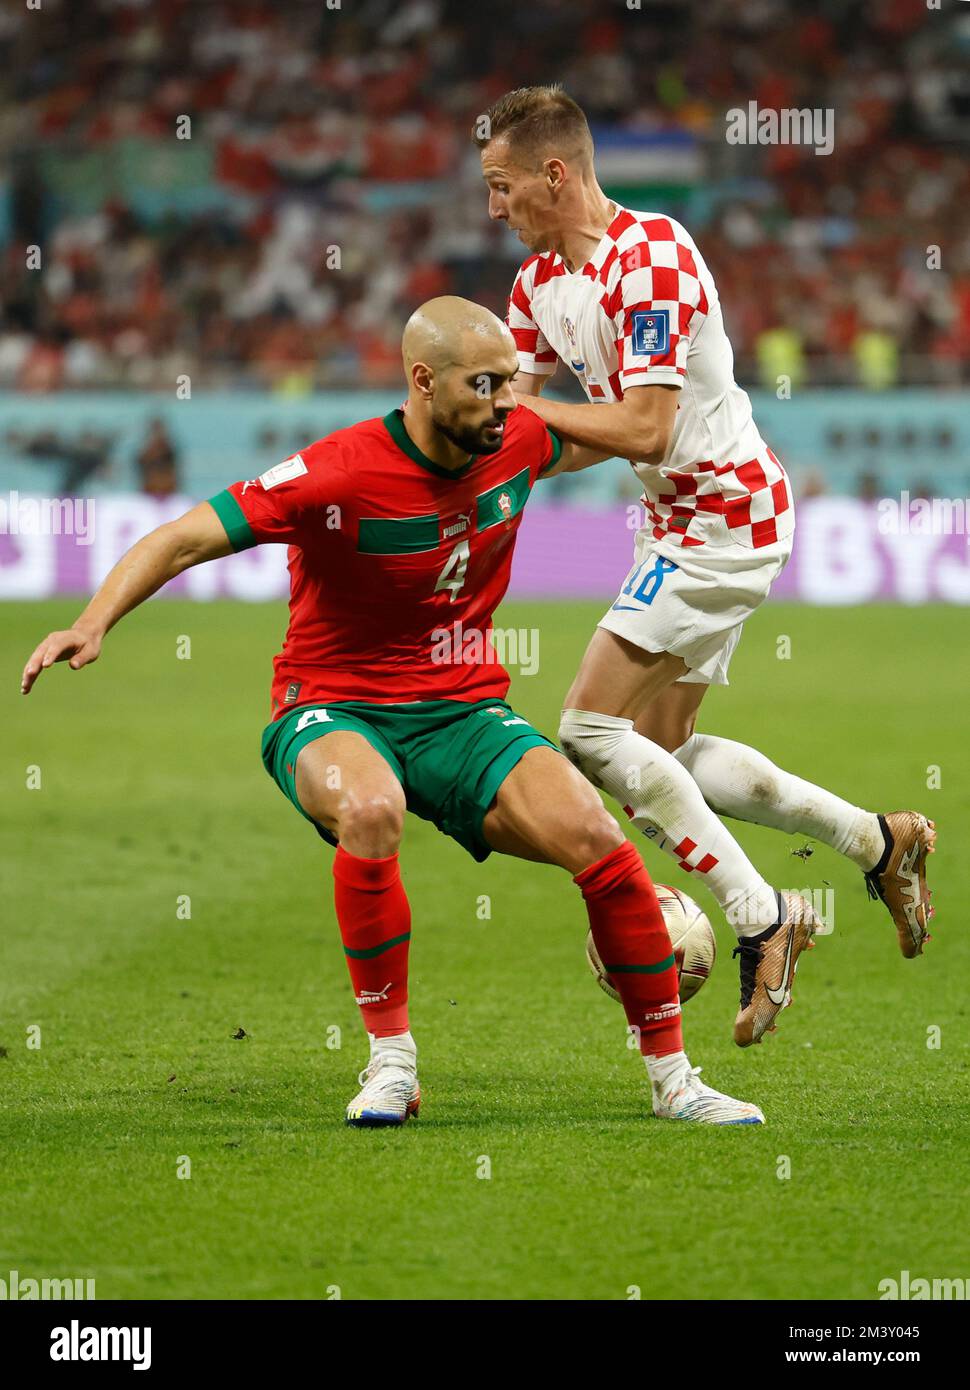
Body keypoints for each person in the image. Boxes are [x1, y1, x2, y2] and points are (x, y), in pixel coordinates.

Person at [21, 296, 765, 1128]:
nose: (504, 400)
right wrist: (91, 622)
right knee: (372, 811)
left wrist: (711, 436)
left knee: (596, 837)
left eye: (511, 381)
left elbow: (630, 433)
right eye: (484, 383)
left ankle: (673, 1083)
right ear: (422, 380)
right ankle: (392, 1066)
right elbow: (182, 538)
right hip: (331, 707)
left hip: (461, 713)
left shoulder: (512, 437)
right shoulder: (334, 474)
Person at [477, 86, 935, 1047]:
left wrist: (523, 419)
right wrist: (476, 452)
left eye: (503, 184)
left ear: (553, 174)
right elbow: (529, 433)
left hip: (726, 515)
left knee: (588, 732)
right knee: (664, 748)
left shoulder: (655, 259)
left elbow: (642, 424)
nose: (494, 207)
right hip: (669, 520)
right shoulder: (533, 289)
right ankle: (877, 841)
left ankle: (764, 919)